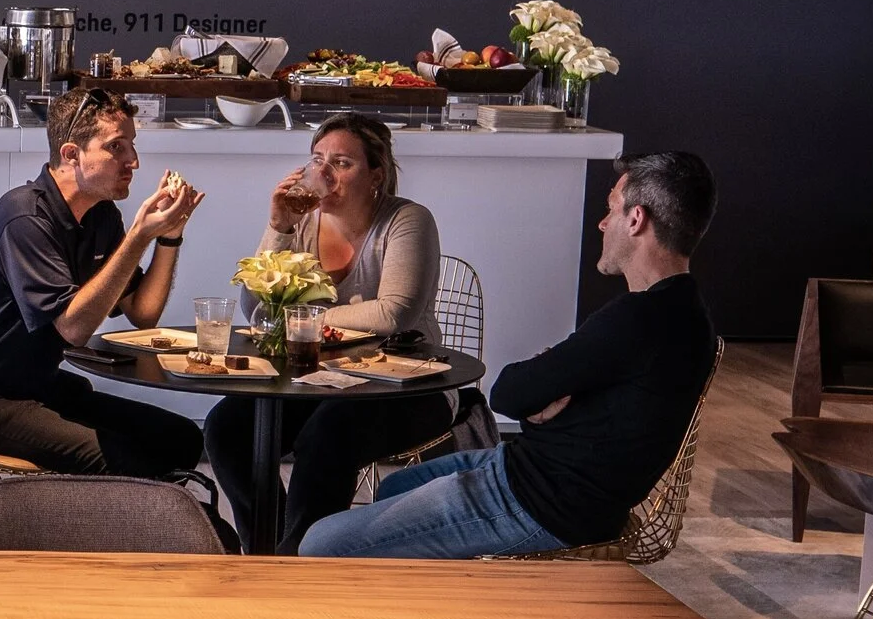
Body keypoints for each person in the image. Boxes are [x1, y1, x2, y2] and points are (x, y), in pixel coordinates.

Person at [300, 151, 720, 559]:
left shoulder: (637, 319)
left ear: (636, 219)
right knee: (395, 488)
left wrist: (548, 394)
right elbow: (542, 395)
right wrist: (551, 396)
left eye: (610, 209)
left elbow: (510, 393)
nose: (602, 222)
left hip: (537, 504)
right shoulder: (686, 313)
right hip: (528, 471)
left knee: (319, 542)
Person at [205, 113, 455, 552]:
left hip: (409, 384)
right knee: (228, 428)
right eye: (317, 160)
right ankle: (268, 551)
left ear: (376, 174)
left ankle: (308, 560)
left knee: (327, 434)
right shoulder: (302, 222)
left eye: (342, 163)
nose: (323, 174)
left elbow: (393, 314)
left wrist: (303, 321)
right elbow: (256, 308)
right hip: (320, 381)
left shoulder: (407, 220)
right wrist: (279, 227)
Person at [0, 88, 205, 477]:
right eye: (116, 147)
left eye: (132, 145)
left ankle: (143, 514)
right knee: (129, 463)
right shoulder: (24, 217)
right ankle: (122, 516)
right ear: (72, 153)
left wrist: (169, 237)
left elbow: (143, 313)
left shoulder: (102, 216)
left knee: (180, 438)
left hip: (39, 389)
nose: (134, 161)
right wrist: (139, 237)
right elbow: (73, 328)